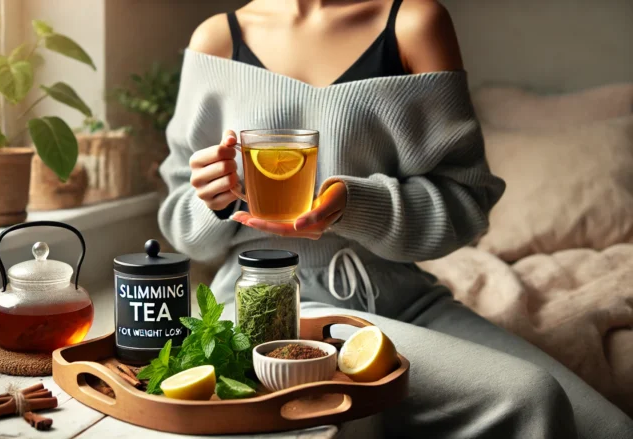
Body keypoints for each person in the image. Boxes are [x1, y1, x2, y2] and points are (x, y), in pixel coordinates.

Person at [157, 0, 633, 437]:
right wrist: (213, 199)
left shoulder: (414, 23)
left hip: (403, 298)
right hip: (271, 307)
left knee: (605, 426)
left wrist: (355, 205)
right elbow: (184, 231)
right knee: (531, 397)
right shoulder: (217, 39)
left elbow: (466, 203)